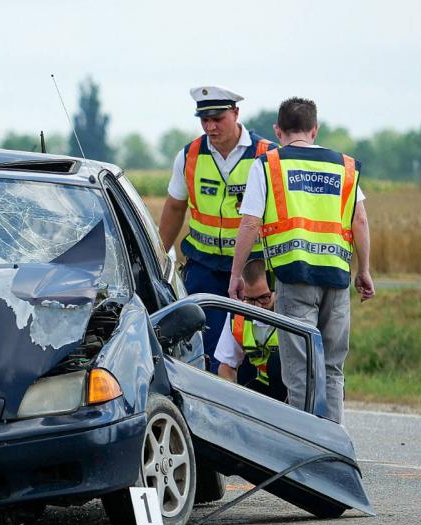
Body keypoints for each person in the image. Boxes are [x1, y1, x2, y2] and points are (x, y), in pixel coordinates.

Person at [229, 97, 375, 420]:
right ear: (314, 129)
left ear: (278, 130)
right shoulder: (343, 166)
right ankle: (334, 448)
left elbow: (250, 222)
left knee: (300, 373)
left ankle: (304, 453)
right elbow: (360, 221)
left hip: (294, 281)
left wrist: (236, 274)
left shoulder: (268, 164)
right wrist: (363, 270)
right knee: (332, 370)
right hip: (336, 281)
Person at [158, 86, 276, 372]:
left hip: (254, 269)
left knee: (252, 346)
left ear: (236, 113)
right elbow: (175, 208)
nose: (210, 126)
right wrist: (159, 255)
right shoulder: (190, 156)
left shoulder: (267, 155)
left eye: (218, 118)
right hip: (204, 268)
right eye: (204, 119)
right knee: (206, 350)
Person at [215, 259, 286, 401]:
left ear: (276, 289)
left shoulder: (291, 310)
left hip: (292, 388)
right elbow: (226, 367)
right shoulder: (238, 316)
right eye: (251, 300)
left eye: (264, 298)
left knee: (276, 360)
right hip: (264, 385)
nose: (258, 308)